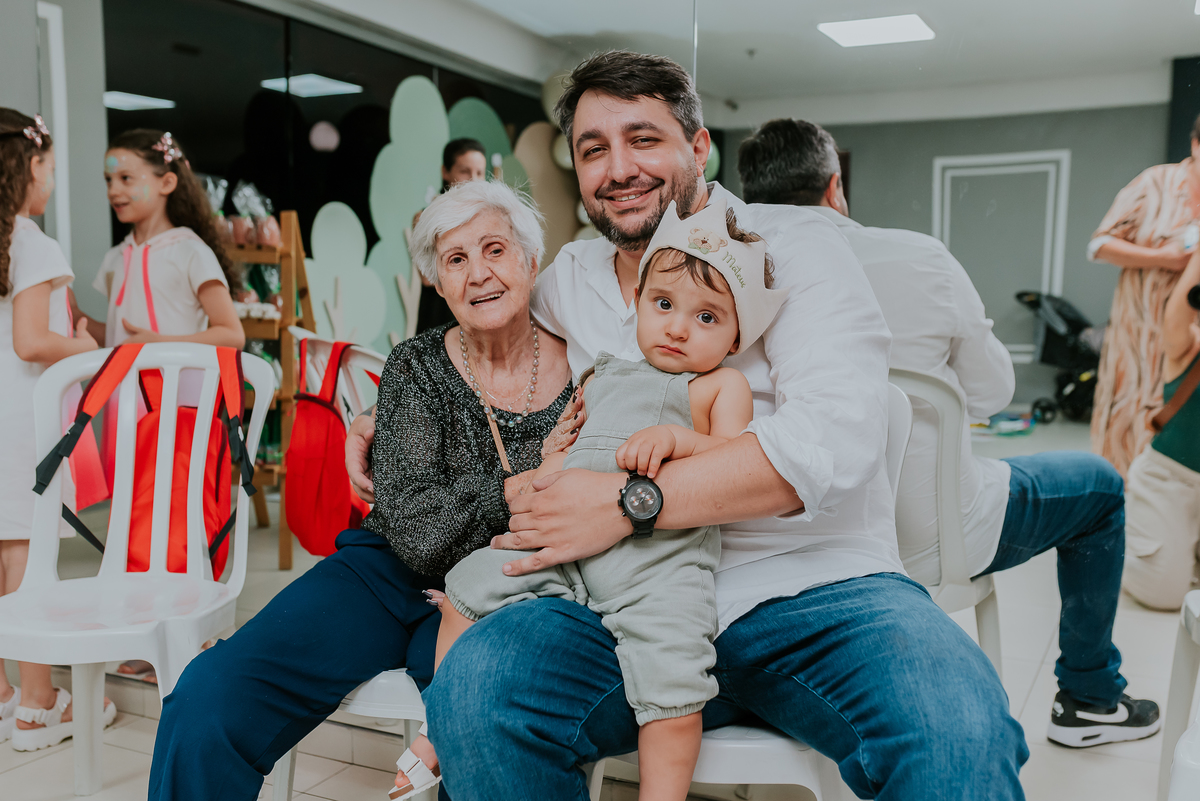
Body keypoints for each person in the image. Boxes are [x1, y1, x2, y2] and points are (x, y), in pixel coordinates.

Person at [348, 51, 1027, 799]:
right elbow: (489, 337)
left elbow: (836, 438)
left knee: (960, 730)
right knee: (477, 687)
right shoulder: (570, 276)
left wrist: (629, 502)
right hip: (613, 602)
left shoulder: (795, 248)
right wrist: (388, 406)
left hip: (817, 592)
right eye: (593, 148)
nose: (618, 167)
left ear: (699, 147)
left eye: (644, 138)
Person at [736, 117, 1161, 748]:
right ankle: (1091, 697)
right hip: (932, 539)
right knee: (1097, 486)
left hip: (773, 549)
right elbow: (993, 395)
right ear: (835, 189)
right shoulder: (919, 255)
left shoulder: (718, 272)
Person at [146, 179, 574, 801]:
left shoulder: (587, 367)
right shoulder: (416, 364)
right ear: (437, 281)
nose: (479, 273)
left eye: (495, 250)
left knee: (481, 722)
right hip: (386, 574)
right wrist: (519, 490)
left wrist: (481, 512)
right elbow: (413, 526)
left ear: (531, 260)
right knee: (211, 693)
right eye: (456, 260)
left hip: (509, 592)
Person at [391, 197, 783, 801]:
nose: (678, 327)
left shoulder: (717, 387)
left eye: (707, 318)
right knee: (468, 588)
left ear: (735, 339)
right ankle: (437, 731)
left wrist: (680, 439)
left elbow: (733, 463)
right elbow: (575, 441)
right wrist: (553, 454)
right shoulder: (604, 372)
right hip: (569, 551)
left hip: (659, 567)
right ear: (638, 307)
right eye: (664, 305)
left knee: (672, 688)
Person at [69, 129, 245, 684]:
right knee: (139, 519)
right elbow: (118, 336)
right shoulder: (117, 257)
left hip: (184, 410)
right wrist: (77, 323)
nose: (115, 190)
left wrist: (158, 346)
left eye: (127, 178)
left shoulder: (190, 249)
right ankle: (148, 633)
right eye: (108, 180)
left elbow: (230, 333)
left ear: (167, 182)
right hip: (132, 410)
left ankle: (185, 634)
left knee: (181, 519)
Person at [0, 108, 115, 750]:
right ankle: (39, 706)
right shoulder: (33, 242)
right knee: (25, 553)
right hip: (18, 419)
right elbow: (28, 342)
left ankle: (2, 698)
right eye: (47, 165)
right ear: (28, 168)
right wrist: (80, 343)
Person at [1089, 114, 1200, 477]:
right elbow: (1100, 244)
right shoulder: (1155, 182)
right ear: (1195, 145)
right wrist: (1163, 259)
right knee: (1123, 428)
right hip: (1137, 339)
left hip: (1188, 350)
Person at [1123, 249, 1200, 609]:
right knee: (1165, 595)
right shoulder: (1188, 346)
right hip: (1168, 480)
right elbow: (1179, 310)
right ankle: (1117, 536)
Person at [415, 138, 489, 334]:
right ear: (445, 172)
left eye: (480, 173)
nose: (474, 179)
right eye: (465, 171)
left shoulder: (488, 217)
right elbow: (428, 278)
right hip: (439, 311)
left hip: (476, 306)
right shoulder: (426, 216)